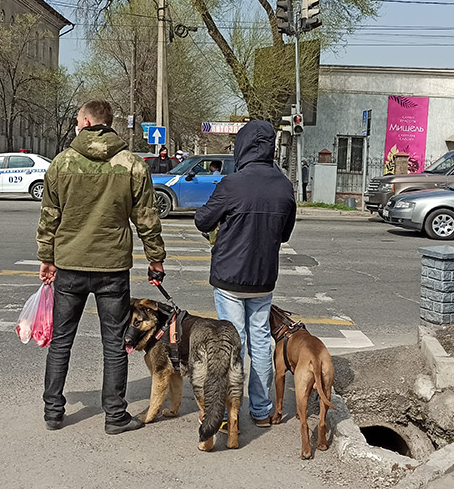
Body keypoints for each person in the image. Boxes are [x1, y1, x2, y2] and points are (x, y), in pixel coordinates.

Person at [36, 99, 166, 435]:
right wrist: (155, 258)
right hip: (112, 267)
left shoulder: (62, 163)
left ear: (85, 121)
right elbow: (146, 217)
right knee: (115, 342)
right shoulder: (131, 164)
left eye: (78, 120)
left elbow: (49, 216)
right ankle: (115, 415)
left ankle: (53, 411)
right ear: (109, 123)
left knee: (61, 340)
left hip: (70, 264)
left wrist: (47, 258)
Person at [194, 120, 296, 427]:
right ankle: (261, 410)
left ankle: (229, 411)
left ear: (243, 147)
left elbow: (202, 220)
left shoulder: (233, 183)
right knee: (261, 342)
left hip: (229, 275)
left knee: (232, 343)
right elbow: (285, 233)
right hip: (263, 277)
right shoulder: (284, 185)